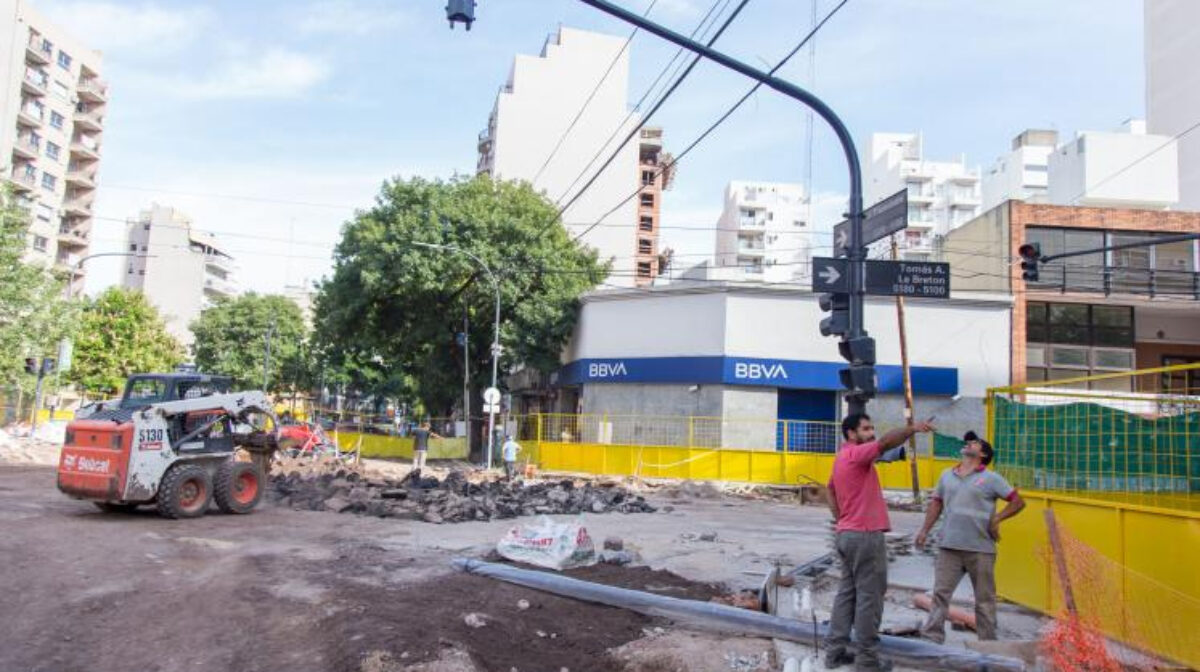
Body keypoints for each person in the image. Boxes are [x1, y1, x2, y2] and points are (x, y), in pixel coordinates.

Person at [825, 412, 936, 672]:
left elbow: (829, 488)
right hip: (865, 535)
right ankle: (867, 662)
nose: (871, 433)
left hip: (847, 534)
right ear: (851, 434)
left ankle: (835, 654)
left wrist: (841, 519)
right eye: (866, 429)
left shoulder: (842, 457)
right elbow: (885, 443)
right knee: (870, 598)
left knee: (847, 595)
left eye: (872, 428)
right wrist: (913, 429)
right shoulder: (857, 454)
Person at [916, 431, 1025, 644]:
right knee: (940, 595)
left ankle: (987, 644)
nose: (969, 444)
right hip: (950, 545)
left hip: (981, 549)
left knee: (984, 600)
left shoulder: (992, 479)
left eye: (975, 443)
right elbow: (936, 503)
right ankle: (932, 638)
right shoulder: (947, 475)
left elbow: (1018, 502)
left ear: (983, 454)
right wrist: (924, 530)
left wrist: (998, 519)